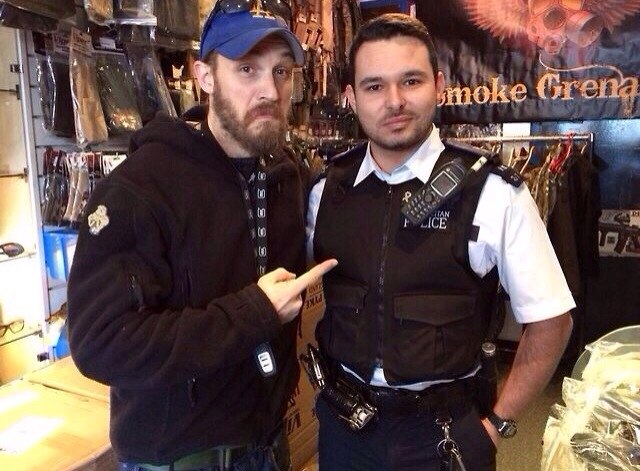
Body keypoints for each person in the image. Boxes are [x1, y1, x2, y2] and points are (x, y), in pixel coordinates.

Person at [67, 3, 336, 471]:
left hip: (267, 446)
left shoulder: (285, 174)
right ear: (205, 76)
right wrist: (253, 312)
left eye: (281, 71)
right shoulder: (141, 188)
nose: (270, 90)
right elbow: (101, 344)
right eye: (247, 69)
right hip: (181, 460)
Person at [306, 13, 574, 470]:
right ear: (351, 97)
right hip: (345, 429)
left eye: (410, 81)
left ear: (439, 85)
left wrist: (497, 426)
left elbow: (552, 321)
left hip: (445, 434)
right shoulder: (324, 192)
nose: (394, 101)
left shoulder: (491, 193)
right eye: (374, 86)